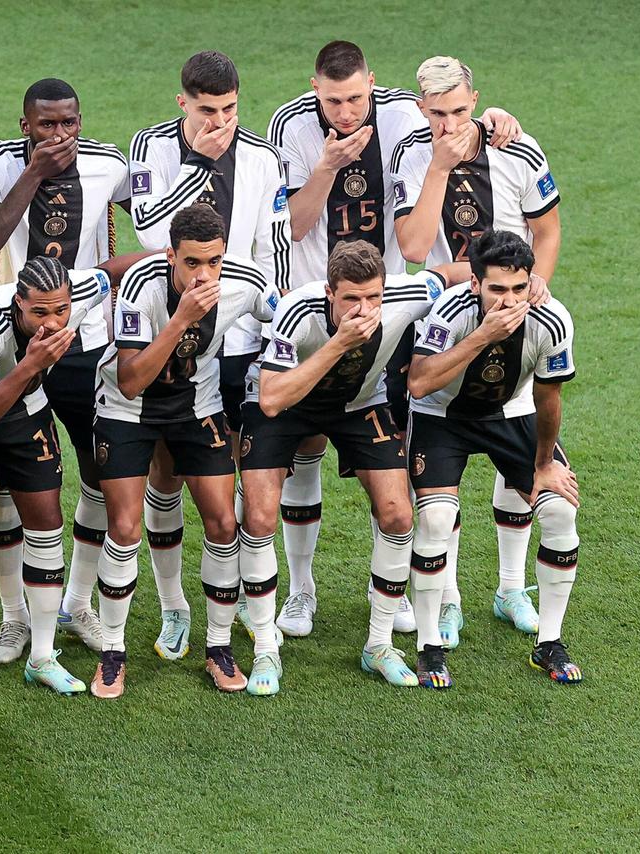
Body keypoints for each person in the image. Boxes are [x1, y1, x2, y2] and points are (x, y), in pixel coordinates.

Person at [266, 40, 522, 638]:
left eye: (356, 98)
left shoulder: (407, 114)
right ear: (314, 91)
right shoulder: (289, 125)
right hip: (314, 304)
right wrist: (327, 165)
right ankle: (301, 591)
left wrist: (493, 120)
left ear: (373, 85)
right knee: (304, 448)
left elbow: (451, 123)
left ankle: (400, 584)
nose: (346, 111)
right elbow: (296, 222)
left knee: (399, 449)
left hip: (390, 310)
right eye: (333, 100)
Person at [241, 241, 466, 690]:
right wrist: (339, 343)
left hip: (360, 403)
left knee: (400, 515)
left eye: (373, 297)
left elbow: (453, 273)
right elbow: (271, 398)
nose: (364, 309)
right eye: (351, 299)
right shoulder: (295, 310)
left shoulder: (405, 295)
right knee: (260, 516)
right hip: (287, 404)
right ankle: (267, 648)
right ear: (329, 293)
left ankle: (378, 645)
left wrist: (530, 282)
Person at [393, 56, 560, 647]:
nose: (450, 122)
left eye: (460, 111)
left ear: (477, 99)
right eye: (437, 113)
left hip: (515, 308)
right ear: (421, 109)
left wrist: (536, 284)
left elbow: (547, 229)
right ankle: (453, 596)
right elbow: (413, 248)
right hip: (443, 322)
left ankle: (512, 587)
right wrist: (439, 164)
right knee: (446, 453)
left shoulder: (520, 148)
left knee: (513, 421)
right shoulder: (413, 155)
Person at [128, 50, 292, 653]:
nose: (218, 121)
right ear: (182, 104)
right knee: (166, 474)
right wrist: (197, 161)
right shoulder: (150, 149)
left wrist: (270, 331)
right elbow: (151, 235)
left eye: (228, 109)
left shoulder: (263, 158)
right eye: (205, 111)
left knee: (241, 487)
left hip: (240, 340)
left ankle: (251, 609)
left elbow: (270, 247)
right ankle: (174, 607)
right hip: (172, 333)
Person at [0, 78, 131, 660]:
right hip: (13, 344)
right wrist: (33, 173)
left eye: (69, 123)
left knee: (100, 476)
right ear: (25, 125)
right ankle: (13, 619)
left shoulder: (109, 163)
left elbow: (157, 220)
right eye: (46, 124)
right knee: (7, 479)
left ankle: (77, 602)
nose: (59, 135)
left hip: (87, 343)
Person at [90, 204, 279, 699]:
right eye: (192, 262)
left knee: (222, 522)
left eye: (213, 262)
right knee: (124, 527)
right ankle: (113, 653)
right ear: (171, 254)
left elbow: (286, 313)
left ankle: (218, 647)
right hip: (127, 411)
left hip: (199, 406)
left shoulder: (244, 280)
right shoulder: (139, 287)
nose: (205, 274)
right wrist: (181, 319)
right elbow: (131, 381)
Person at [0, 256, 140, 700]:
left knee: (47, 524)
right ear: (18, 303)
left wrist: (166, 260)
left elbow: (113, 271)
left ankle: (42, 657)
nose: (52, 321)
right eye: (40, 312)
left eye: (60, 310)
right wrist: (31, 365)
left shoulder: (79, 294)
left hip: (26, 413)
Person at [406, 230, 581, 689]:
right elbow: (420, 383)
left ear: (531, 282)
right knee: (437, 520)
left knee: (561, 509)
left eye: (519, 288)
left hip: (509, 413)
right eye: (497, 289)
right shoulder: (451, 312)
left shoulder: (552, 320)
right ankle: (429, 647)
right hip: (441, 416)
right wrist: (483, 336)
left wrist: (544, 464)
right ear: (475, 285)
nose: (509, 300)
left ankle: (550, 641)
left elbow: (549, 399)